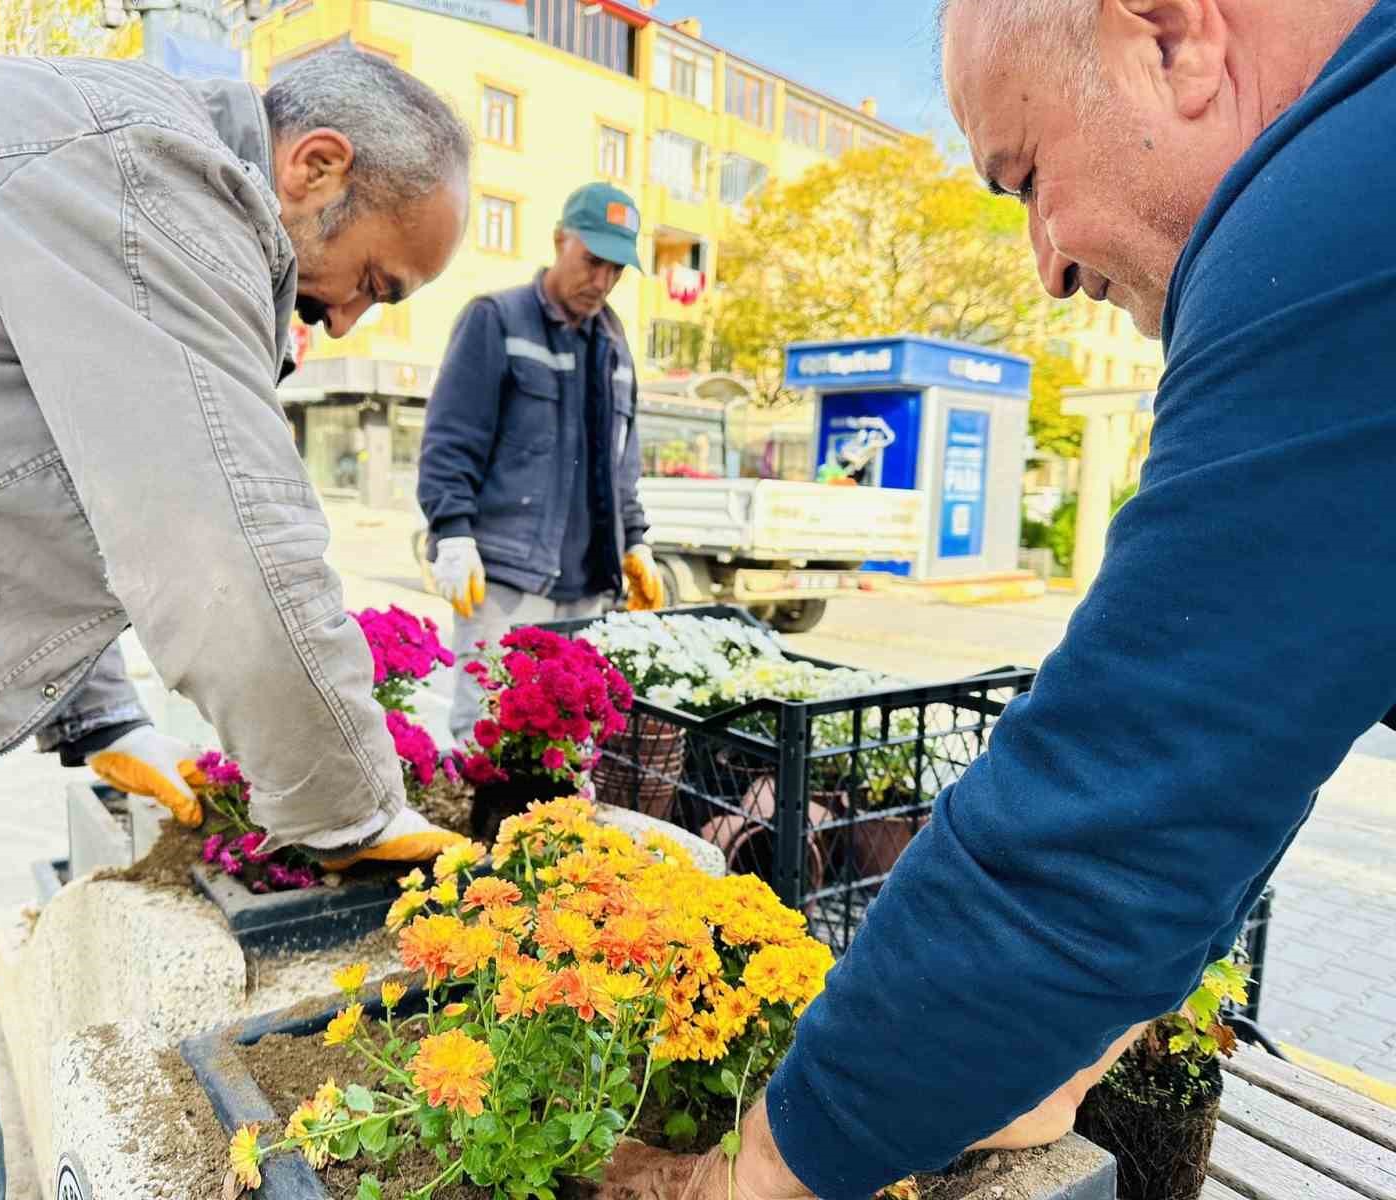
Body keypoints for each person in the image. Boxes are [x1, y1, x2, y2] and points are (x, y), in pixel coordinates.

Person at [598, 0, 1396, 1195]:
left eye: (1024, 178)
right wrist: (1063, 1068)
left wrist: (751, 1172)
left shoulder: (1337, 217)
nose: (1048, 265)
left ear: (1169, 39)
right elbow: (1250, 739)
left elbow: (1112, 809)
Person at [0, 48, 472, 1197]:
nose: (353, 321)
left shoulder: (93, 141)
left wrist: (100, 712)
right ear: (315, 167)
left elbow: (22, 470)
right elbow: (227, 547)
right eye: (376, 280)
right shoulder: (152, 175)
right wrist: (354, 814)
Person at [417, 183, 666, 744]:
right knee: (487, 734)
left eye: (616, 270)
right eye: (592, 261)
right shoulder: (498, 320)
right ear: (560, 240)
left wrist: (635, 542)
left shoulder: (614, 344)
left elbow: (624, 463)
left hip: (589, 588)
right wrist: (452, 533)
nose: (601, 281)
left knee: (564, 747)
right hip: (507, 581)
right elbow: (450, 440)